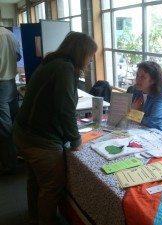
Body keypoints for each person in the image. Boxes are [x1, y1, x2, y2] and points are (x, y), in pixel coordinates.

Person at [13, 31, 97, 225]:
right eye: (90, 55)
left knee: (35, 181)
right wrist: (75, 140)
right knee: (51, 187)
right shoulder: (64, 69)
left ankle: (35, 218)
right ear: (81, 53)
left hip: (25, 133)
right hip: (40, 140)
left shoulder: (54, 62)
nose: (91, 60)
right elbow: (65, 109)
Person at [131, 61, 162, 136]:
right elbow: (125, 113)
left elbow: (155, 122)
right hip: (141, 131)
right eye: (137, 76)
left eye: (142, 77)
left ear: (153, 80)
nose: (138, 80)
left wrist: (134, 114)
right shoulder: (137, 90)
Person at [0, 22, 21, 175]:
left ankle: (10, 165)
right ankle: (20, 155)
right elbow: (18, 55)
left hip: (0, 84)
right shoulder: (10, 34)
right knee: (15, 121)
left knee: (4, 126)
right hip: (11, 83)